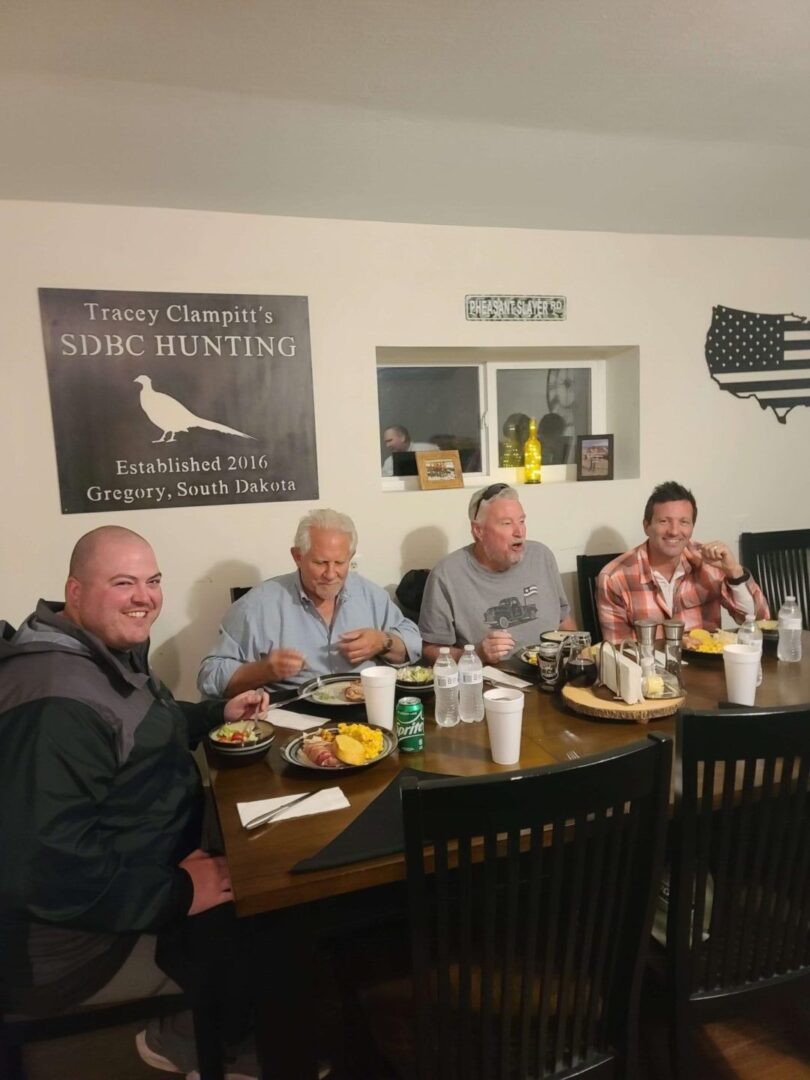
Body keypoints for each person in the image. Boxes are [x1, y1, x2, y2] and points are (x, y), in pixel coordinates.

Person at [0, 525, 269, 1078]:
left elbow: (145, 730)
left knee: (262, 858)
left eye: (152, 581)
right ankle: (197, 1044)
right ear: (74, 592)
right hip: (77, 946)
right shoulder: (55, 702)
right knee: (264, 914)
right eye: (123, 582)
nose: (144, 597)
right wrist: (176, 892)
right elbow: (44, 869)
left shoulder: (98, 649)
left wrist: (217, 713)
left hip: (141, 861)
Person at [198, 508, 422, 696]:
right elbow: (210, 676)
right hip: (294, 717)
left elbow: (413, 642)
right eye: (320, 562)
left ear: (351, 557)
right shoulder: (257, 606)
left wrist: (383, 641)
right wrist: (263, 670)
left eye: (340, 563)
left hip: (365, 712)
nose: (331, 574)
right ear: (297, 557)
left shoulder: (370, 595)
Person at [419, 484, 576, 664]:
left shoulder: (542, 556)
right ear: (478, 531)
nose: (519, 532)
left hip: (553, 672)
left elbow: (564, 622)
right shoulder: (446, 575)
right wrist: (475, 656)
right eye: (507, 523)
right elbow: (429, 650)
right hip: (492, 684)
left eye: (522, 521)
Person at [596, 480, 769, 644]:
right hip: (650, 673)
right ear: (646, 526)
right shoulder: (614, 578)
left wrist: (734, 573)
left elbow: (758, 620)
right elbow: (619, 652)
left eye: (684, 522)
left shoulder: (709, 560)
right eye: (664, 521)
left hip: (709, 669)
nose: (674, 531)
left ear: (692, 527)